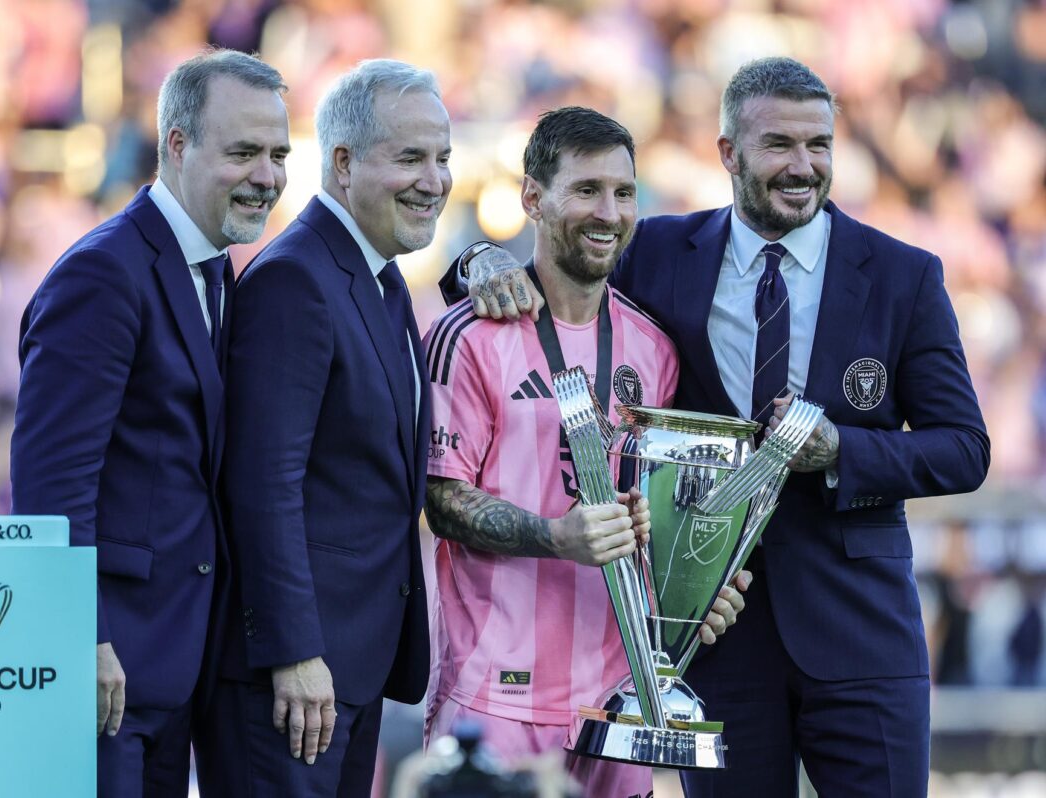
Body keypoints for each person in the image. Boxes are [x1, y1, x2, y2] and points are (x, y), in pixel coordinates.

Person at [448, 58, 990, 798]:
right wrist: (477, 262)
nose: (803, 166)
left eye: (819, 145)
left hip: (861, 634)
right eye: (779, 146)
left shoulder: (904, 275)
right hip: (708, 635)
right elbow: (568, 255)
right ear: (729, 153)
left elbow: (963, 449)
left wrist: (842, 451)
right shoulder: (663, 252)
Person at [423, 106, 748, 798]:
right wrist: (554, 536)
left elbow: (653, 515)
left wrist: (696, 591)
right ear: (533, 200)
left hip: (618, 698)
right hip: (496, 693)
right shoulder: (470, 334)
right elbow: (440, 496)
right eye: (587, 190)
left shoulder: (654, 350)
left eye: (624, 193)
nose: (609, 212)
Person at [10, 49, 290, 797]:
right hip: (106, 675)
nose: (267, 174)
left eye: (277, 154)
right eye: (243, 152)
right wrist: (82, 635)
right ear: (176, 144)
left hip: (172, 668)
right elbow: (49, 484)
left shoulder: (214, 268)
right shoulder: (104, 273)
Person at [197, 59, 447, 798]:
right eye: (410, 158)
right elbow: (260, 484)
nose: (434, 180)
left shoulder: (381, 276)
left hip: (350, 668)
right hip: (293, 679)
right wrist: (295, 652)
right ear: (343, 163)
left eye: (442, 158)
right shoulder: (294, 280)